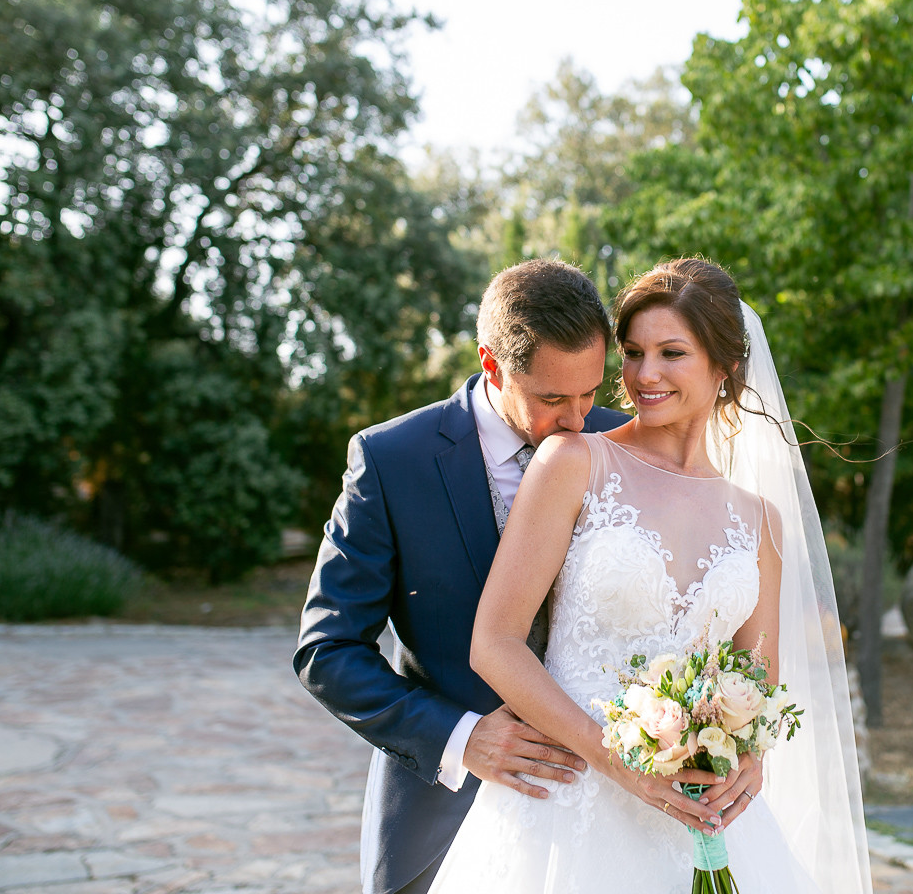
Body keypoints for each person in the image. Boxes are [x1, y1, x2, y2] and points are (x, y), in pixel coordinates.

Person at [428, 258, 872, 893]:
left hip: (702, 819)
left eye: (671, 352)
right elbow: (494, 644)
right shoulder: (575, 462)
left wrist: (749, 758)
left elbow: (756, 679)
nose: (644, 374)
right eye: (633, 352)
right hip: (568, 808)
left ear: (726, 368)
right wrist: (619, 763)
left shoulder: (760, 520)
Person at [294, 259, 630, 894]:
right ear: (491, 364)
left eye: (591, 392)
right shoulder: (391, 461)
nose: (579, 420)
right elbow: (326, 651)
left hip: (605, 820)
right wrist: (462, 737)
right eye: (553, 399)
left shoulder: (625, 443)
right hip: (445, 822)